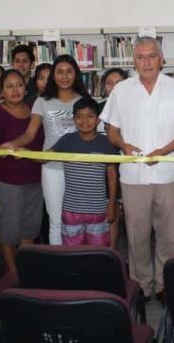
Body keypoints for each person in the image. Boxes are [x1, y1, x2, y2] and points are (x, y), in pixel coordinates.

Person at [100, 36, 174, 301]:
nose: (146, 62)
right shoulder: (121, 90)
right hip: (133, 176)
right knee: (136, 235)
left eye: (152, 56)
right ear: (133, 60)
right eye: (141, 57)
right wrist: (123, 144)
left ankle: (164, 284)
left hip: (169, 174)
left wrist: (163, 151)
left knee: (168, 235)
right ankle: (141, 285)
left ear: (162, 59)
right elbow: (111, 130)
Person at [0, 54, 85, 245]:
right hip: (52, 169)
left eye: (69, 72)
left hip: (80, 168)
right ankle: (59, 264)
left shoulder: (84, 100)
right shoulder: (42, 101)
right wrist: (14, 144)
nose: (64, 77)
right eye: (60, 72)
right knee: (56, 221)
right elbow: (30, 134)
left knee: (77, 220)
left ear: (76, 74)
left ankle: (77, 261)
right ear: (53, 76)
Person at [0, 69, 45, 273]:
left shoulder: (36, 111)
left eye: (19, 85)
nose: (15, 90)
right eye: (9, 86)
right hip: (7, 181)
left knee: (29, 229)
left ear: (25, 88)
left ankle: (24, 270)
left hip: (35, 178)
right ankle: (13, 274)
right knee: (9, 230)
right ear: (2, 91)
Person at [52, 97, 118, 246]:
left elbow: (112, 174)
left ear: (97, 119)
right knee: (72, 252)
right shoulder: (66, 141)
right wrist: (22, 152)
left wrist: (112, 203)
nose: (84, 121)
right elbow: (44, 157)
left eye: (90, 116)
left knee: (98, 253)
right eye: (79, 117)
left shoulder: (106, 143)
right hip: (71, 209)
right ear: (74, 119)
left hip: (98, 209)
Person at [98, 67, 129, 249]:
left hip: (124, 166)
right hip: (101, 166)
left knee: (116, 209)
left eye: (119, 83)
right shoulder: (97, 108)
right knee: (106, 209)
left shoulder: (134, 108)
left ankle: (113, 250)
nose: (114, 88)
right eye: (110, 83)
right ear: (104, 87)